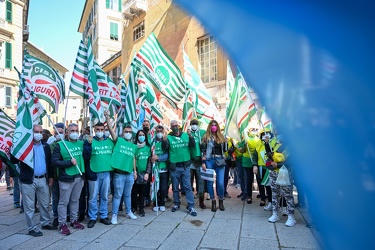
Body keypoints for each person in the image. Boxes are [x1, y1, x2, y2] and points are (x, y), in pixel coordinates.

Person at [11, 124, 56, 237]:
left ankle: (45, 222)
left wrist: (50, 177)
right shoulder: (25, 147)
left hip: (43, 179)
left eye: (40, 132)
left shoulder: (45, 146)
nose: (39, 134)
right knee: (30, 206)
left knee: (45, 203)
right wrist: (16, 147)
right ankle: (32, 228)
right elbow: (13, 160)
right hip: (29, 181)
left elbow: (49, 163)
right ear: (31, 133)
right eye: (36, 132)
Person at [52, 123, 85, 236]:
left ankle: (73, 220)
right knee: (63, 202)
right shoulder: (60, 145)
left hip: (79, 177)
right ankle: (62, 224)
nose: (75, 133)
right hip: (66, 178)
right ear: (67, 132)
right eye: (72, 131)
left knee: (75, 200)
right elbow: (55, 162)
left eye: (76, 130)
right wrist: (69, 163)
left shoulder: (81, 144)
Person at [106, 118, 138, 224]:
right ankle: (114, 215)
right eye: (126, 132)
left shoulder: (133, 146)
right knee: (117, 195)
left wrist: (135, 171)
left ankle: (128, 211)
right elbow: (111, 131)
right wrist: (107, 119)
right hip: (119, 174)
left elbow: (133, 157)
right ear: (123, 133)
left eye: (129, 132)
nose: (128, 133)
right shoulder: (118, 141)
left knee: (128, 194)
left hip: (129, 174)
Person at [83, 122, 113, 228]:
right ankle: (92, 217)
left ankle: (104, 215)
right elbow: (85, 156)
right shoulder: (89, 141)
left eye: (101, 129)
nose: (100, 131)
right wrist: (89, 145)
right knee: (93, 196)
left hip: (106, 172)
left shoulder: (109, 141)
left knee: (104, 196)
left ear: (104, 130)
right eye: (97, 129)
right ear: (94, 130)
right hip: (93, 172)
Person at [166, 120, 197, 216]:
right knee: (175, 187)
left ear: (179, 126)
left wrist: (190, 136)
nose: (175, 127)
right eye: (173, 126)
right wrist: (163, 140)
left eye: (176, 125)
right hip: (174, 166)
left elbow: (193, 145)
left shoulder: (185, 135)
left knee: (187, 187)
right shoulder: (168, 137)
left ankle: (191, 206)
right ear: (171, 128)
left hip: (185, 166)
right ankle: (176, 203)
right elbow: (165, 147)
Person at [265, 137, 297, 227]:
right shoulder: (275, 142)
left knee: (287, 194)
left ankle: (291, 216)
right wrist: (267, 144)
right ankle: (275, 213)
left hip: (285, 172)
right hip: (274, 172)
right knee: (274, 193)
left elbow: (292, 161)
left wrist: (278, 165)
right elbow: (270, 155)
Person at [201, 120, 227, 212]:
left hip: (220, 160)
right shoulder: (205, 137)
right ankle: (213, 201)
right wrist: (203, 162)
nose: (214, 127)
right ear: (209, 126)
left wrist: (226, 143)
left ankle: (221, 200)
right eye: (212, 125)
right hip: (209, 160)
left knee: (220, 183)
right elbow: (203, 151)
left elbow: (225, 150)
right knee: (209, 182)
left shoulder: (222, 137)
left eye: (215, 125)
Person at [48, 122, 69, 226]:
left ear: (65, 133)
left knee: (66, 198)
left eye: (60, 132)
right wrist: (50, 176)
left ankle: (67, 215)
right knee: (56, 197)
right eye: (56, 132)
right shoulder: (51, 146)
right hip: (55, 176)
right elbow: (49, 162)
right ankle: (56, 217)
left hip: (66, 175)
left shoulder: (68, 145)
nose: (58, 134)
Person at [252, 130, 275, 210]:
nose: (265, 136)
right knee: (260, 183)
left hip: (269, 168)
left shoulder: (272, 144)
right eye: (263, 135)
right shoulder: (258, 144)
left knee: (269, 185)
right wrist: (255, 165)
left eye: (267, 135)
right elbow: (254, 155)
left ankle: (270, 201)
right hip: (260, 167)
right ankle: (262, 199)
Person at [132, 130, 152, 217]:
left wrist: (148, 173)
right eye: (140, 135)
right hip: (136, 173)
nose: (141, 136)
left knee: (142, 193)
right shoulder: (134, 147)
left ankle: (141, 208)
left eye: (143, 135)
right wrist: (134, 171)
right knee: (134, 192)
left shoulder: (148, 148)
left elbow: (149, 161)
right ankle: (133, 207)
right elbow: (133, 160)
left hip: (144, 174)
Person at [188, 118, 206, 209]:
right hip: (190, 160)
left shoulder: (202, 132)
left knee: (201, 181)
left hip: (199, 160)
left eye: (195, 123)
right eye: (192, 123)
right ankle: (190, 201)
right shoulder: (187, 133)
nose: (194, 125)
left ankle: (201, 201)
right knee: (189, 182)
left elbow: (206, 143)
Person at [152, 125, 169, 212]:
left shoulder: (165, 141)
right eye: (157, 131)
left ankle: (162, 203)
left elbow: (167, 155)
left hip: (163, 169)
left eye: (160, 131)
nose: (159, 133)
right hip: (154, 169)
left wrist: (158, 158)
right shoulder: (152, 142)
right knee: (155, 187)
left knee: (163, 188)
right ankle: (156, 203)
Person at [142, 119, 152, 207]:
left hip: (152, 160)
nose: (145, 127)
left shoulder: (152, 135)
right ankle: (144, 197)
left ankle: (150, 197)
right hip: (143, 160)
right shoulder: (140, 135)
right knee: (145, 180)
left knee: (150, 180)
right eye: (144, 125)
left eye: (147, 125)